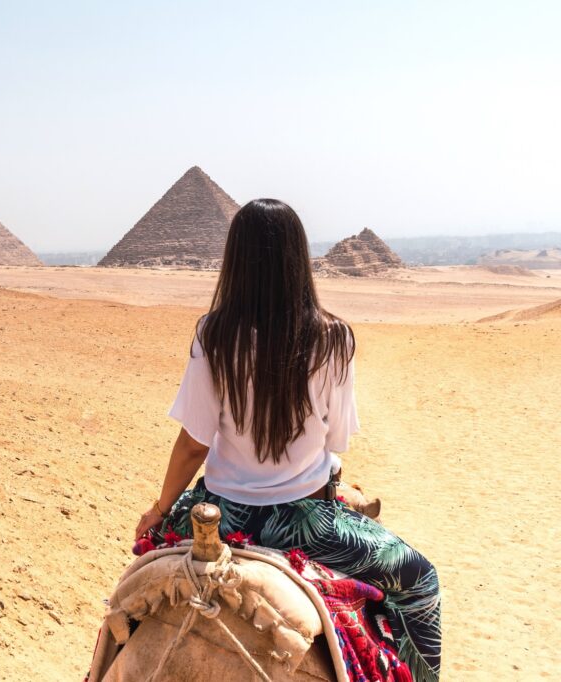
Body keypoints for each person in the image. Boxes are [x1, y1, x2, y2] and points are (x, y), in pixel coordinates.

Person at [133, 199, 441, 682]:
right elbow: (337, 439)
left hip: (221, 515)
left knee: (134, 586)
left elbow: (194, 443)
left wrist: (158, 509)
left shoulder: (214, 335)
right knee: (421, 581)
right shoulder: (334, 339)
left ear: (235, 261)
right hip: (307, 521)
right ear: (300, 259)